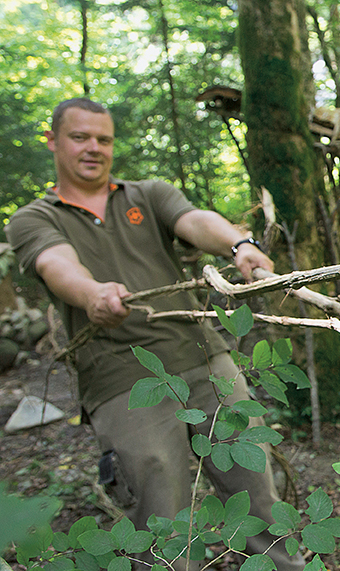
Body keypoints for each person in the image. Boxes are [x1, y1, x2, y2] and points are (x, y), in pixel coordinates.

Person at [5, 98, 305, 571]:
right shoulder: (34, 218)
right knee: (159, 522)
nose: (93, 148)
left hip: (204, 356)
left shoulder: (146, 194)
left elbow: (194, 220)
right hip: (121, 378)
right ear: (54, 141)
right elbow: (56, 263)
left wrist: (239, 243)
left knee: (257, 495)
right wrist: (90, 294)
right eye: (80, 137)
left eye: (103, 139)